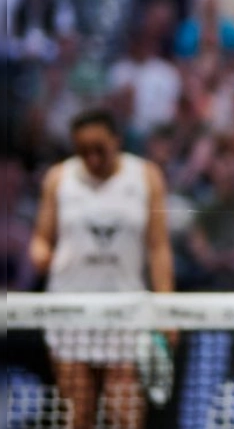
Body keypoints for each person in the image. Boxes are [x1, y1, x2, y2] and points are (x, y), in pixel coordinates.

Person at [29, 107, 174, 429]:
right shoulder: (58, 179)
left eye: (100, 150)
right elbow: (41, 238)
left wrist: (166, 309)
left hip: (125, 311)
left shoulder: (145, 176)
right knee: (78, 416)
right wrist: (40, 253)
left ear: (117, 141)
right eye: (83, 152)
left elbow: (158, 247)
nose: (92, 159)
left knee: (126, 417)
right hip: (70, 311)